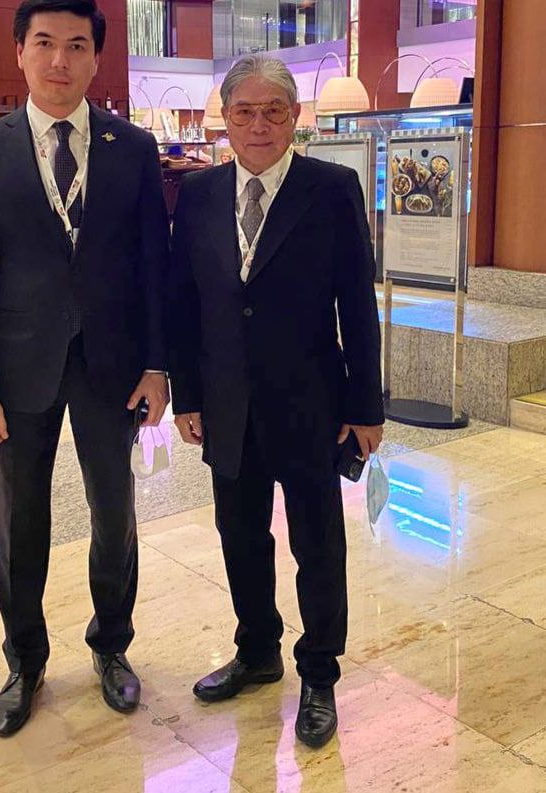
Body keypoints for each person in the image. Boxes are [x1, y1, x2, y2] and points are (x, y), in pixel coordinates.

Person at [0, 0, 169, 738]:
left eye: (77, 46)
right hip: (17, 367)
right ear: (20, 51)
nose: (59, 60)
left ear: (96, 58)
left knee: (115, 512)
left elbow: (154, 266)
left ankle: (111, 645)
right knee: (20, 521)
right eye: (44, 43)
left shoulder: (132, 149)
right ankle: (25, 662)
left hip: (114, 364)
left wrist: (158, 364)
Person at [167, 54, 384, 749]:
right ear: (225, 121)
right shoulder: (199, 194)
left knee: (317, 543)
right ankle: (257, 650)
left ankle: (319, 672)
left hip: (310, 401)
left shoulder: (331, 189)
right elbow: (183, 303)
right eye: (245, 112)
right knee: (240, 535)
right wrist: (187, 395)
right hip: (227, 403)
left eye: (273, 111)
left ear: (294, 119)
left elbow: (357, 304)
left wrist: (366, 405)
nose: (258, 125)